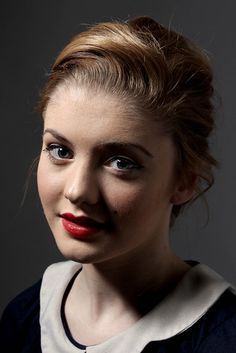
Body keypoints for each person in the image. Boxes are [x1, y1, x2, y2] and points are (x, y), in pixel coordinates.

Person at [0, 16, 236, 353]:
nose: (78, 190)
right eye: (60, 150)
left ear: (184, 180)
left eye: (121, 162)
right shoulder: (24, 317)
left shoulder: (222, 339)